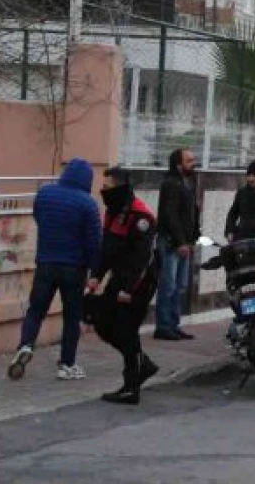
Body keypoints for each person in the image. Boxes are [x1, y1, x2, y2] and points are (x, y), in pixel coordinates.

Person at [8, 158, 101, 382]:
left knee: (36, 310)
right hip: (74, 268)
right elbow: (94, 242)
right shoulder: (88, 204)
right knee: (71, 317)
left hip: (46, 264)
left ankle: (26, 345)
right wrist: (95, 272)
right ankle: (67, 365)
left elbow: (39, 218)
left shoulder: (45, 194)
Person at [89, 167, 162, 405]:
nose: (103, 191)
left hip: (140, 281)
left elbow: (143, 258)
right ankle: (142, 363)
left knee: (126, 329)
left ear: (120, 187)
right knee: (102, 323)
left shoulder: (140, 216)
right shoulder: (113, 212)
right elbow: (108, 248)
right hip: (120, 276)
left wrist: (129, 290)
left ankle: (131, 386)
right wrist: (96, 275)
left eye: (107, 187)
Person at [155, 148, 200, 342]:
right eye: (189, 161)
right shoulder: (171, 184)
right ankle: (163, 326)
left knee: (180, 286)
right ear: (178, 164)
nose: (193, 164)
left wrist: (193, 239)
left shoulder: (187, 182)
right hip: (171, 243)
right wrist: (180, 242)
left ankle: (173, 324)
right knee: (169, 285)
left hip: (184, 243)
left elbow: (192, 213)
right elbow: (170, 215)